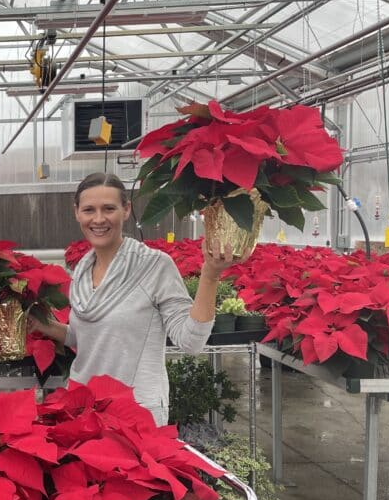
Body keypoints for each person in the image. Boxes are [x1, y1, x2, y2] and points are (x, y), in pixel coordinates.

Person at [29, 172, 242, 427]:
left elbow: (190, 341)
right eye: (89, 210)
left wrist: (210, 275)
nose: (98, 219)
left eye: (109, 208)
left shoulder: (153, 266)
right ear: (76, 212)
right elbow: (85, 336)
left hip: (135, 412)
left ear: (126, 210)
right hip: (82, 406)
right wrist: (46, 326)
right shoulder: (82, 272)